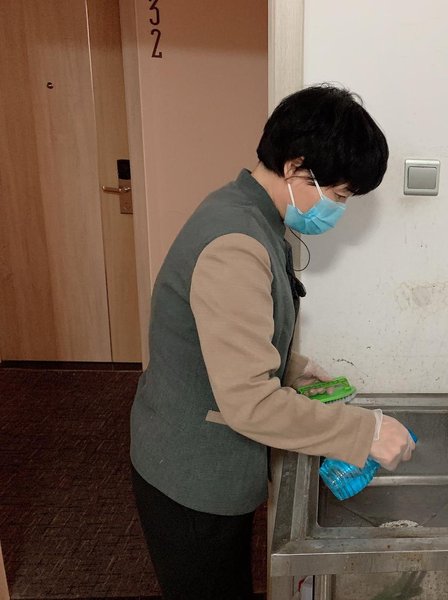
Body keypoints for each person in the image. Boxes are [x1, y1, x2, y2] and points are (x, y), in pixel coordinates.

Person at [129, 84, 415, 600]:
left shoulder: (245, 211)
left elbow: (225, 334)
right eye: (339, 195)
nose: (338, 209)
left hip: (195, 457)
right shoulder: (236, 245)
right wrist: (365, 431)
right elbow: (250, 402)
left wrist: (293, 366)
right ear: (295, 167)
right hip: (190, 475)